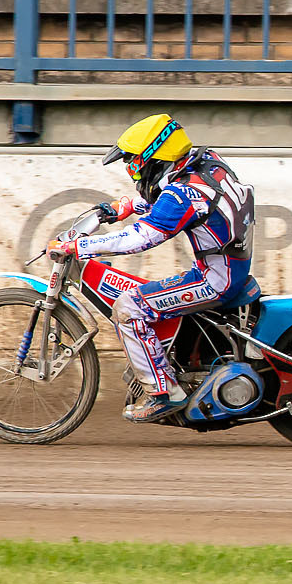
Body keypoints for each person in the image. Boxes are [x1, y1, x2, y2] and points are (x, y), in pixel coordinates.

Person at [49, 113, 255, 423]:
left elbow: (141, 237)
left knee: (129, 307)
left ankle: (163, 393)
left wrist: (79, 247)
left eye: (133, 163)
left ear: (154, 158)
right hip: (230, 267)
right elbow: (186, 204)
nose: (132, 171)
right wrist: (127, 206)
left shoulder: (183, 194)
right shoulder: (207, 163)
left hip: (215, 280)